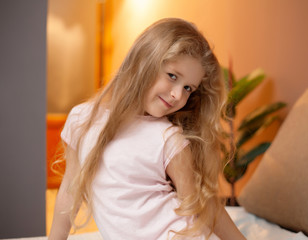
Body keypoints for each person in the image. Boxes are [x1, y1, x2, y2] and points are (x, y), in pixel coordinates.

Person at [49, 18, 247, 240]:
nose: (178, 95)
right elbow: (69, 191)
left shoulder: (168, 138)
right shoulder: (82, 119)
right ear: (143, 61)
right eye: (172, 76)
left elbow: (202, 204)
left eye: (188, 88)